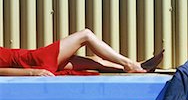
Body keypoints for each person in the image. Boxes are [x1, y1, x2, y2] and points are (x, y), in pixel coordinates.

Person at [0, 28, 164, 76]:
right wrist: (33, 72)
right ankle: (130, 64)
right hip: (35, 60)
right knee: (85, 35)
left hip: (33, 59)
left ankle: (140, 68)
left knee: (89, 61)